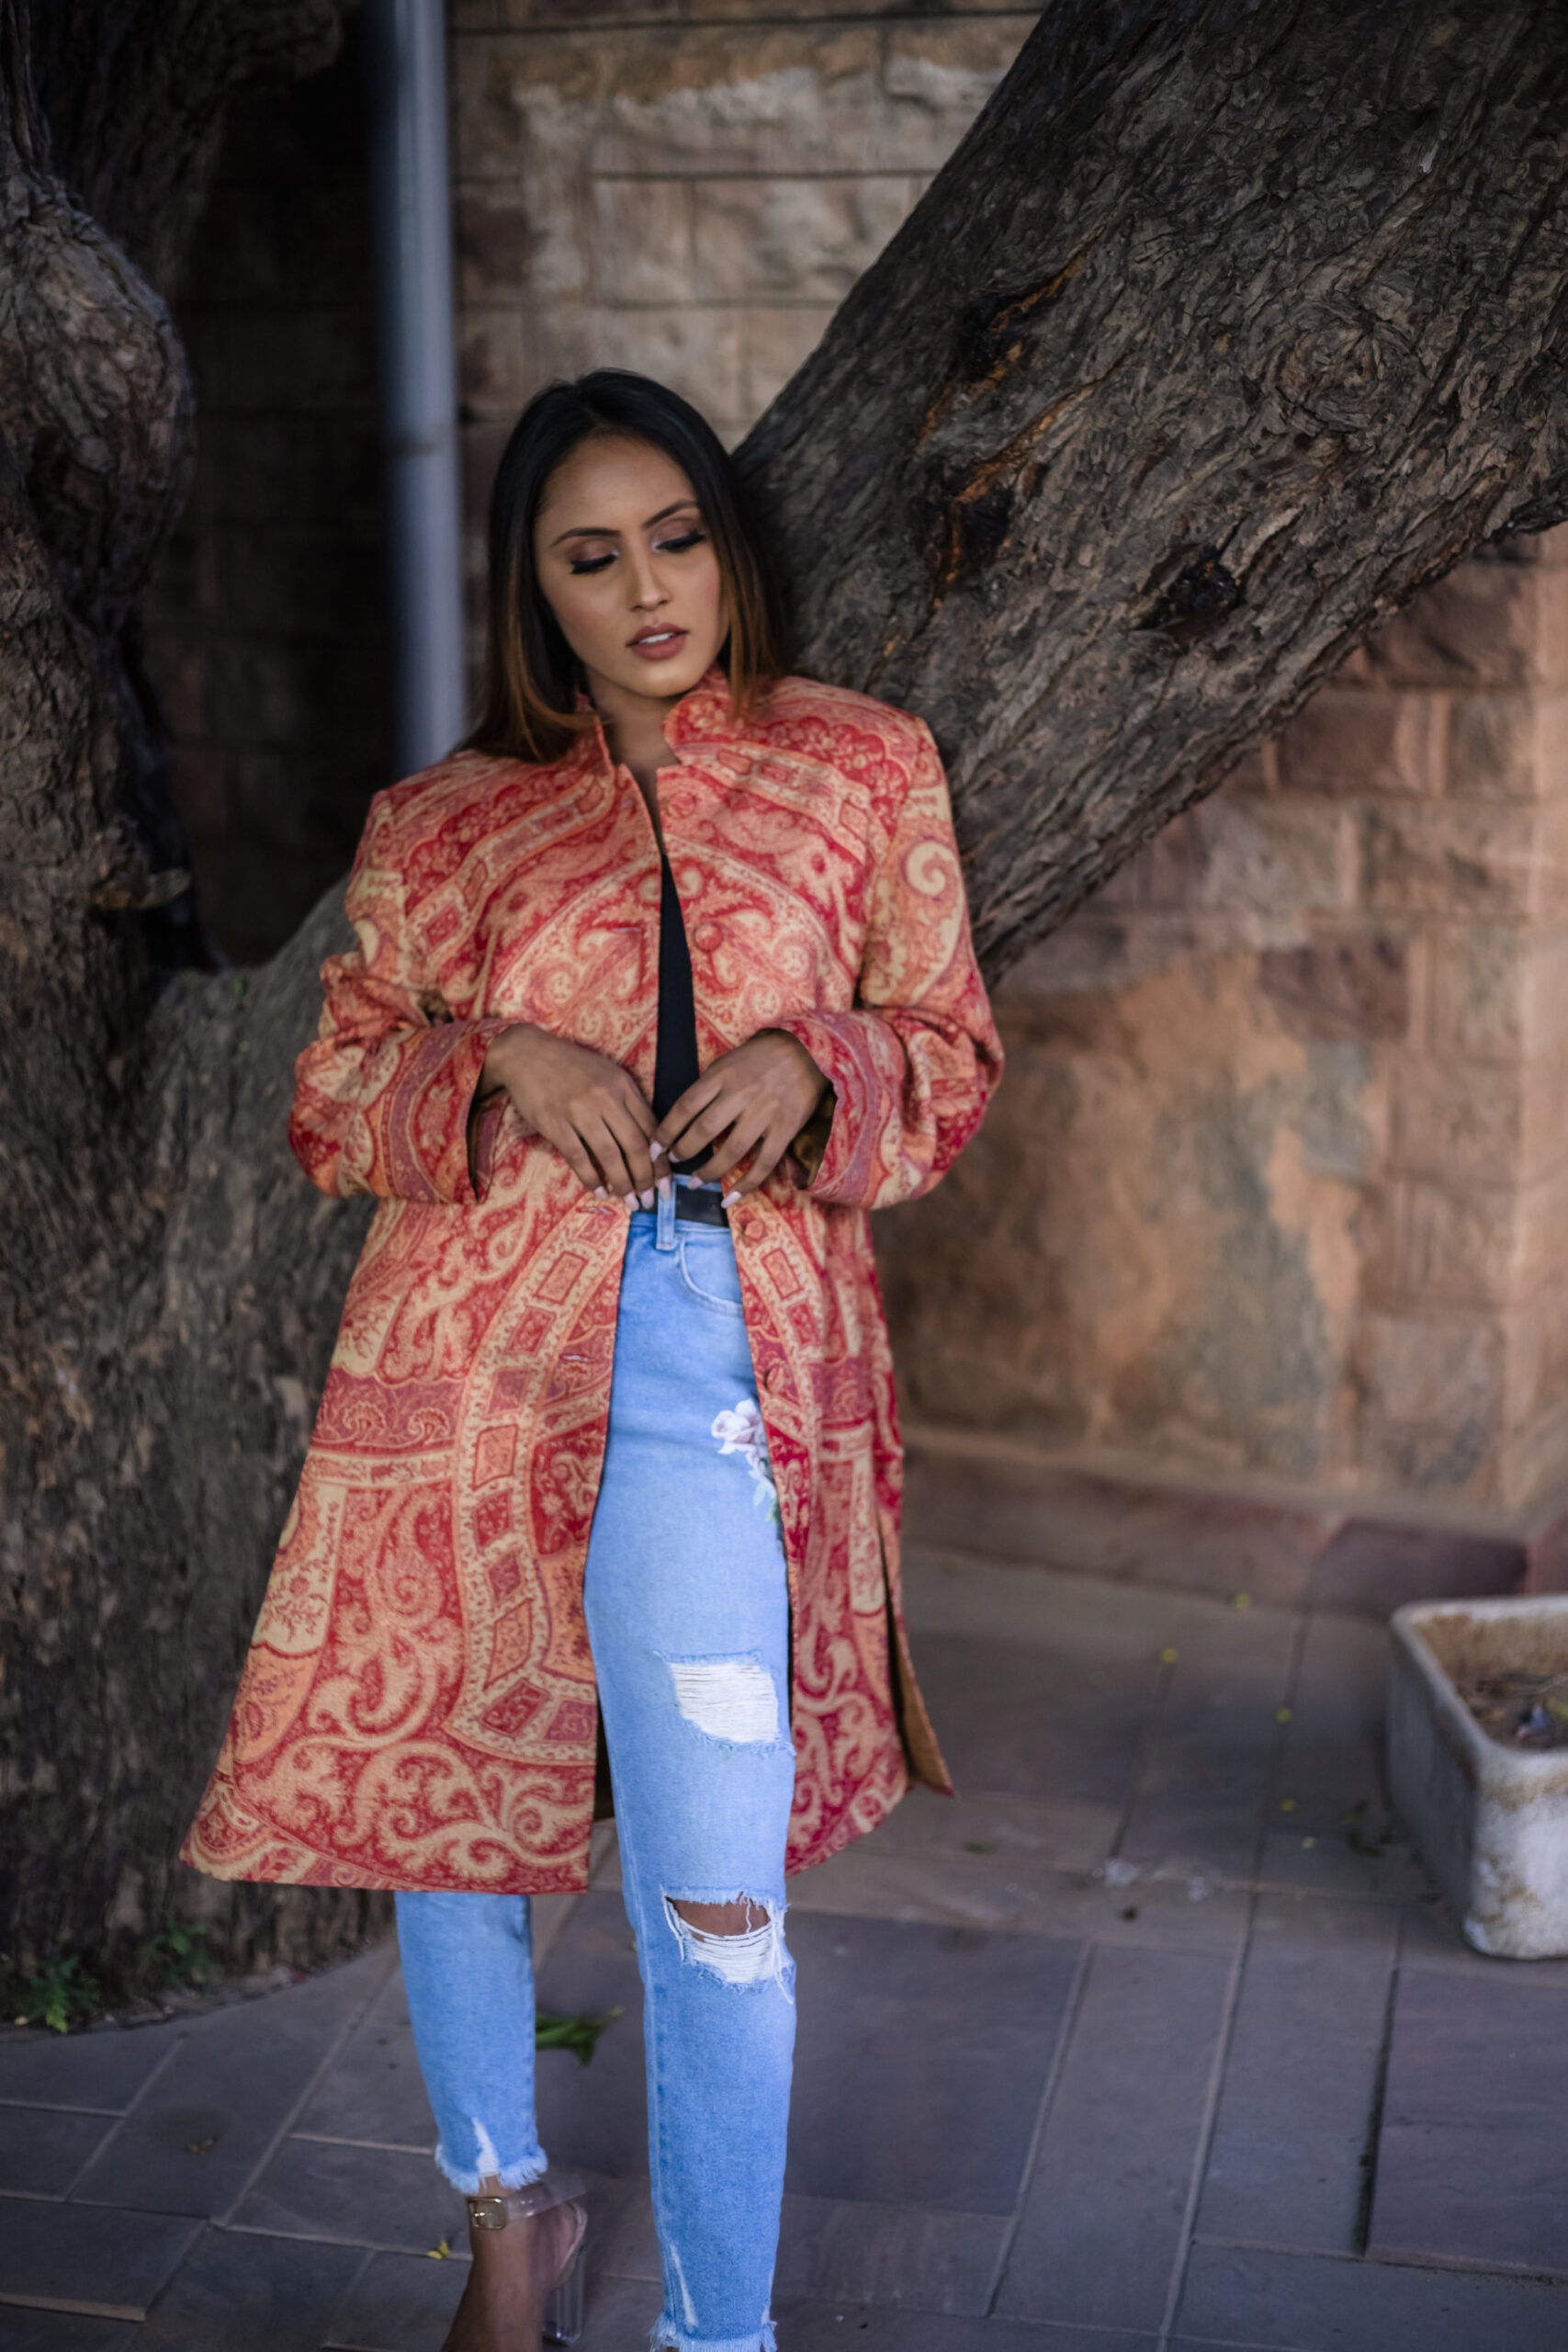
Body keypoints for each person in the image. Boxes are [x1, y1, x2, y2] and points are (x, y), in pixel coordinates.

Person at [184, 369, 1003, 2352]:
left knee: (719, 1908)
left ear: (726, 545)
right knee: (446, 1824)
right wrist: (500, 1061)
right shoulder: (441, 822)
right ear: (533, 592)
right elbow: (332, 1097)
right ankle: (504, 2218)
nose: (648, 590)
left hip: (726, 1388)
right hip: (461, 1388)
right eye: (591, 556)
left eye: (676, 538)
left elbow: (952, 1055)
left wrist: (818, 1058)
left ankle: (718, 2332)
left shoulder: (861, 767)